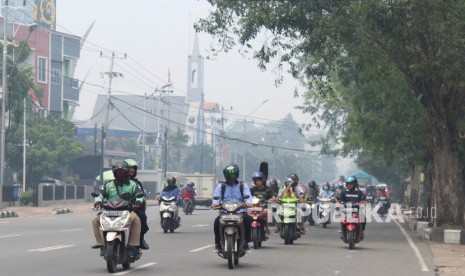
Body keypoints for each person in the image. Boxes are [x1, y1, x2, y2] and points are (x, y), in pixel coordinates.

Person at [92, 162, 144, 257]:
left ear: (126, 172)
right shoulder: (108, 185)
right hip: (109, 211)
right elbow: (100, 195)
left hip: (127, 210)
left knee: (136, 219)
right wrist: (98, 201)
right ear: (114, 173)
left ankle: (133, 245)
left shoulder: (133, 184)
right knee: (95, 220)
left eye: (122, 171)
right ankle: (100, 244)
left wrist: (138, 202)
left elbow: (140, 195)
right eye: (118, 172)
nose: (120, 173)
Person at [212, 164, 253, 253]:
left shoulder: (242, 186)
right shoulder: (221, 186)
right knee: (216, 221)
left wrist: (248, 203)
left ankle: (246, 243)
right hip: (225, 211)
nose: (231, 176)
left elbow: (248, 196)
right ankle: (218, 244)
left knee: (248, 220)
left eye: (232, 174)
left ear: (236, 174)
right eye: (228, 174)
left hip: (240, 211)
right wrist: (215, 204)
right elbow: (216, 196)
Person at [124, 159, 150, 250]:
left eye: (133, 168)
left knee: (142, 217)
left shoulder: (136, 183)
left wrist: (137, 203)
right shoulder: (115, 182)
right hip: (117, 208)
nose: (132, 170)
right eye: (129, 168)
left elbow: (141, 196)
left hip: (133, 208)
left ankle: (140, 239)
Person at [249, 171, 275, 237]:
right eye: (256, 180)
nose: (258, 182)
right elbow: (247, 197)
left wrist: (271, 199)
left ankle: (267, 228)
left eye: (259, 180)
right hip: (253, 208)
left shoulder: (268, 189)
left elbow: (273, 197)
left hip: (263, 209)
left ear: (262, 180)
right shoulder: (252, 189)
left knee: (269, 212)